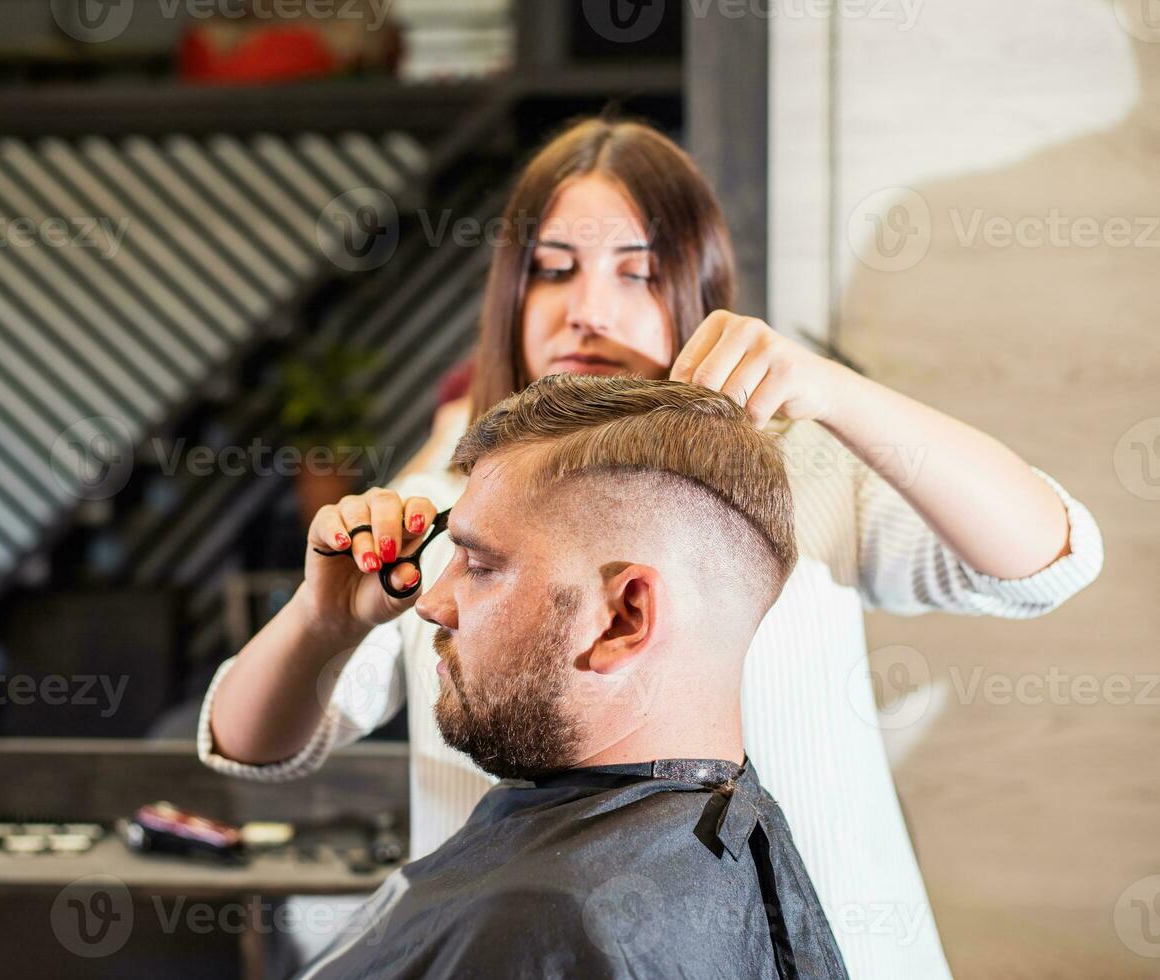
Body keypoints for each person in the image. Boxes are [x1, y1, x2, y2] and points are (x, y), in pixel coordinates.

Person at [199, 117, 1104, 979]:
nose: (586, 311)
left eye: (638, 273)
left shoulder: (799, 479)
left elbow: (1049, 560)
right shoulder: (444, 517)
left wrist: (834, 393)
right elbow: (252, 750)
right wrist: (323, 622)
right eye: (553, 271)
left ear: (697, 295)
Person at [298, 374, 847, 980]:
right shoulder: (728, 838)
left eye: (478, 566)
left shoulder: (549, 920)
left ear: (623, 618)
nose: (432, 602)